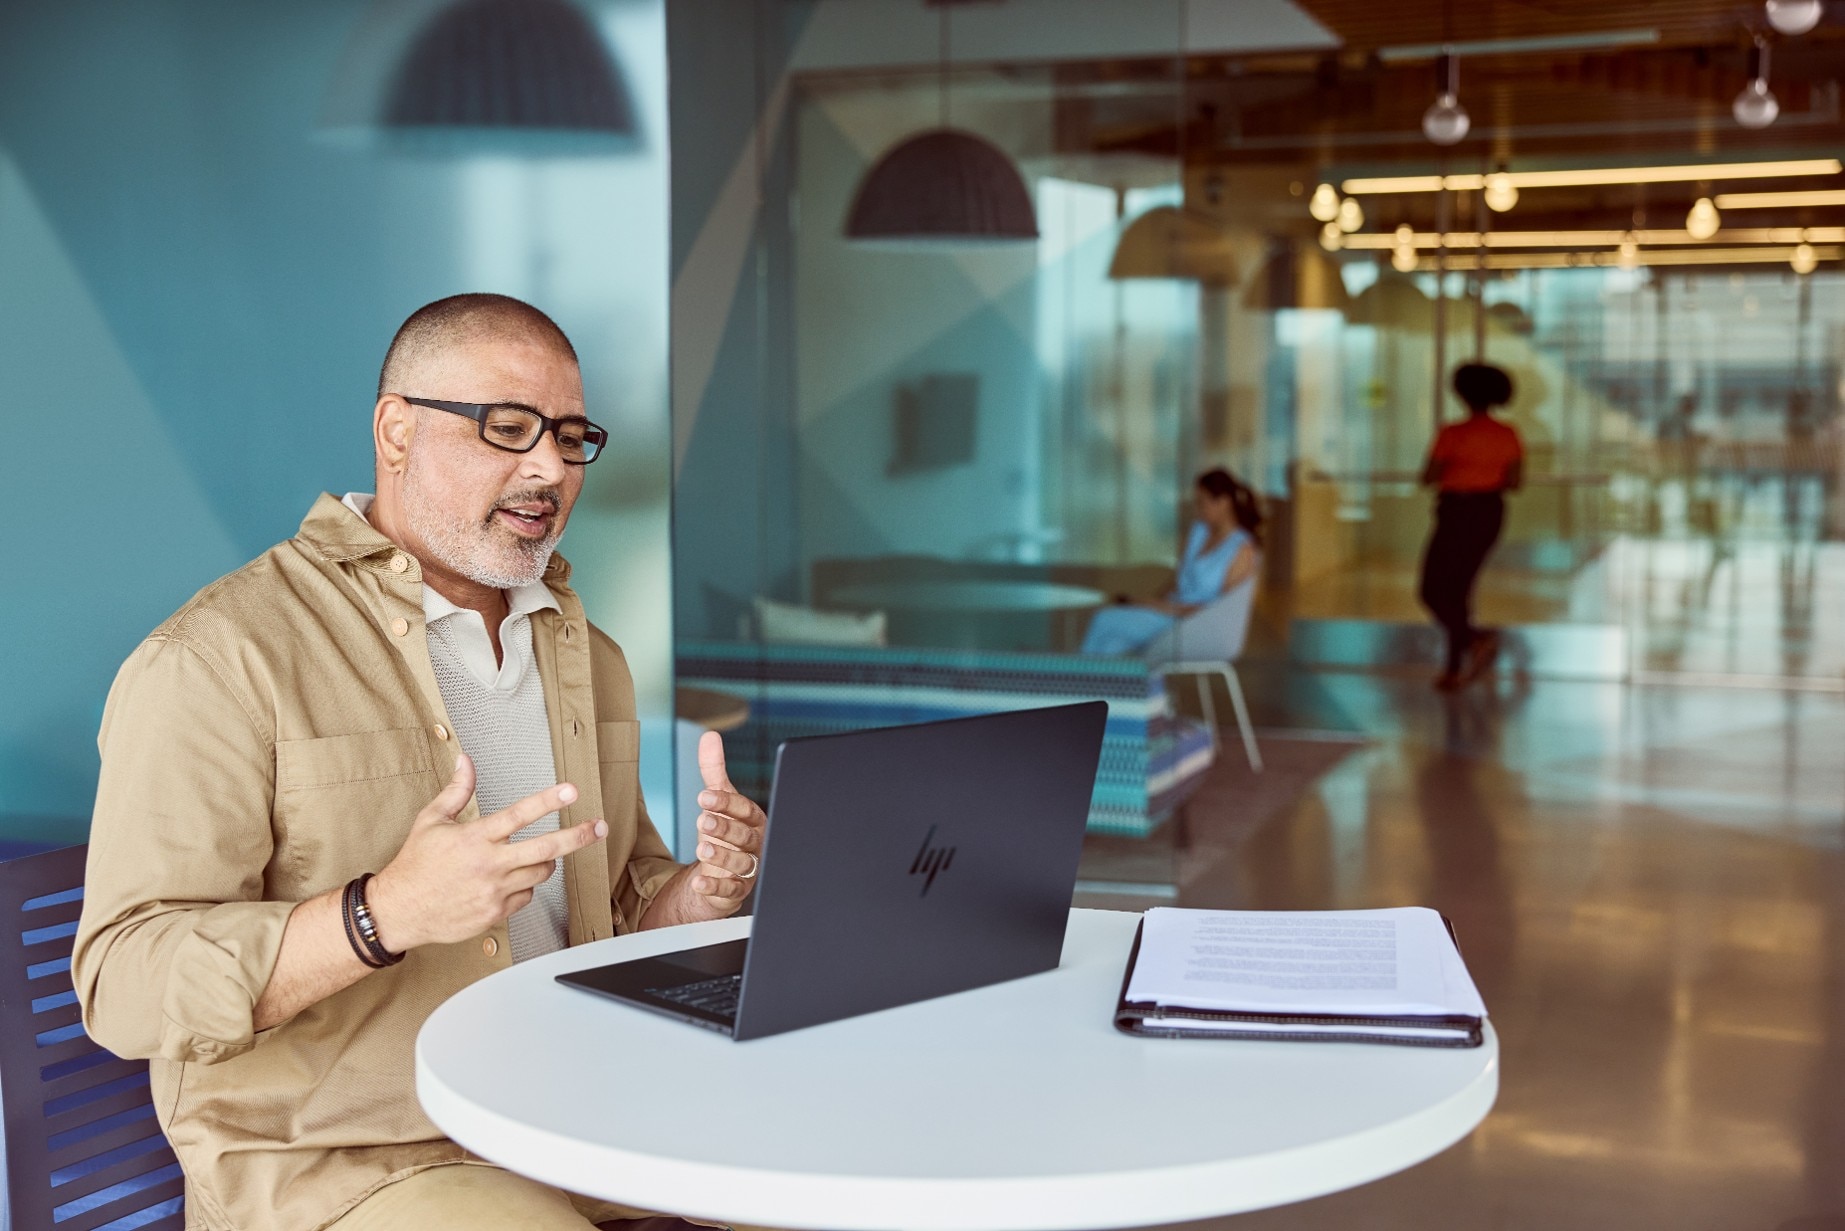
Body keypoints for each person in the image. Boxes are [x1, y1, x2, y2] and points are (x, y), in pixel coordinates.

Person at [72, 294, 763, 1231]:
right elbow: (123, 982)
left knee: (854, 1192)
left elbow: (616, 904)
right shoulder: (217, 658)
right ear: (396, 431)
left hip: (579, 1113)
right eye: (507, 428)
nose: (549, 467)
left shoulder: (583, 653)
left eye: (569, 436)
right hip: (353, 1162)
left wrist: (701, 895)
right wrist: (380, 913)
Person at [1418, 362, 1523, 691]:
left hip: (1455, 512)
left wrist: (1458, 470)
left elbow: (1429, 476)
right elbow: (1515, 481)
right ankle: (1458, 662)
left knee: (1433, 590)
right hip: (1490, 512)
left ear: (1462, 393)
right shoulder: (1507, 434)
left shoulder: (1452, 433)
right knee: (1460, 589)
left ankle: (1472, 644)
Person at [1080, 468, 1262, 656]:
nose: (1197, 509)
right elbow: (1179, 579)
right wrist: (1149, 602)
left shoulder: (1242, 549)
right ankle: (1098, 682)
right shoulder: (1199, 531)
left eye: (1202, 503)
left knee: (1104, 620)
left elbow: (1220, 611)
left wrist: (1155, 606)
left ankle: (1080, 682)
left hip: (1192, 624)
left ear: (1224, 502)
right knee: (1111, 641)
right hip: (1169, 612)